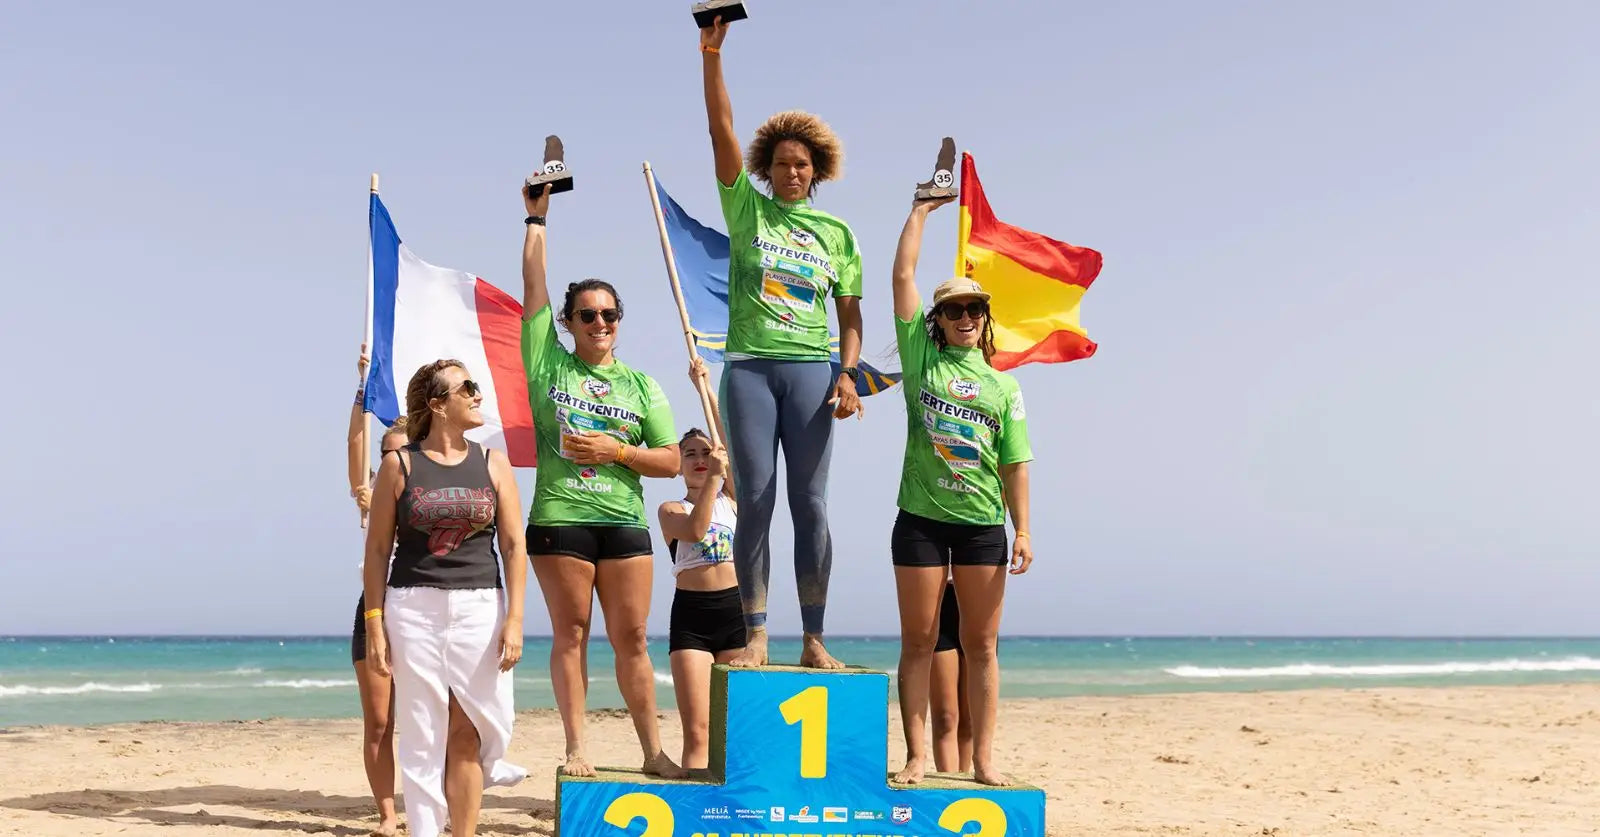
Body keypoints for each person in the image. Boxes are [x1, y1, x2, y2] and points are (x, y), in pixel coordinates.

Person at [699, 16, 864, 669]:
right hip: (748, 373)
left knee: (812, 504)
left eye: (802, 164)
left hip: (812, 374)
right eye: (781, 164)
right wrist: (711, 54)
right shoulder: (747, 210)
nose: (791, 172)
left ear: (815, 170)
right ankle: (756, 631)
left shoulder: (838, 234)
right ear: (764, 171)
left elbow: (850, 316)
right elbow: (720, 130)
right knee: (758, 499)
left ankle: (815, 636)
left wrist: (848, 373)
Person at [519, 182, 687, 779]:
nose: (598, 322)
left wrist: (619, 450)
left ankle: (653, 752)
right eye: (586, 314)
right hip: (560, 518)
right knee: (571, 633)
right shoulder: (547, 362)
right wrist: (536, 218)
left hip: (623, 520)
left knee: (634, 638)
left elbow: (670, 462)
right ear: (567, 324)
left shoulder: (642, 385)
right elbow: (533, 289)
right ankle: (575, 750)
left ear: (620, 321)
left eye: (608, 314)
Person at [886, 195, 1034, 787]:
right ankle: (917, 755)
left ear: (984, 317)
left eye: (974, 308)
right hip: (919, 519)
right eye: (954, 310)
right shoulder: (922, 359)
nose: (965, 316)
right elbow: (902, 275)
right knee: (920, 638)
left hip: (981, 527)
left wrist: (1023, 528)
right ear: (939, 322)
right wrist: (922, 210)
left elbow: (1015, 463)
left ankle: (983, 761)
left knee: (982, 643)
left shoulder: (1005, 387)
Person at [361, 360, 529, 837]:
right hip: (413, 607)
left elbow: (514, 546)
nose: (478, 395)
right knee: (421, 731)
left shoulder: (494, 462)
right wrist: (376, 624)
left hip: (481, 606)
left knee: (475, 725)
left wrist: (515, 617)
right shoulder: (400, 465)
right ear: (438, 405)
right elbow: (376, 551)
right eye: (467, 388)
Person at [657, 356, 745, 771]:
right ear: (678, 462)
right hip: (691, 617)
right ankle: (695, 804)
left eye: (705, 453)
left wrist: (704, 389)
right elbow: (693, 531)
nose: (698, 458)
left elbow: (724, 431)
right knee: (697, 728)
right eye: (689, 453)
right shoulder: (670, 508)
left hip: (735, 611)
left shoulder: (732, 500)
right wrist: (712, 477)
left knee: (732, 727)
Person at [348, 347, 409, 836]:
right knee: (379, 722)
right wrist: (362, 386)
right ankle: (388, 814)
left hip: (425, 606)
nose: (390, 459)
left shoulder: (435, 490)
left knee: (436, 719)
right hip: (374, 609)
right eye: (384, 452)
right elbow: (355, 441)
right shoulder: (370, 493)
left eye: (400, 451)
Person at [929, 579, 974, 775]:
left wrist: (1024, 545)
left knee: (970, 719)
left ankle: (962, 784)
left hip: (979, 595)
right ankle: (949, 785)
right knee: (946, 717)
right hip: (937, 596)